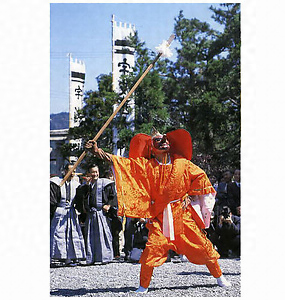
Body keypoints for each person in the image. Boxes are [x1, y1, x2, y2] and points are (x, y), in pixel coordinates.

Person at [85, 128, 231, 293]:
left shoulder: (182, 163)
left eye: (165, 138)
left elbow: (200, 176)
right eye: (158, 140)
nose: (163, 140)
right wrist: (98, 152)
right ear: (151, 147)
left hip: (181, 216)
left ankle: (219, 276)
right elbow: (121, 163)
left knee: (202, 246)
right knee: (152, 249)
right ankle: (143, 285)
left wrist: (191, 195)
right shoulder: (146, 166)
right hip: (159, 216)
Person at [74, 164, 118, 264]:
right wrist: (87, 186)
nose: (95, 174)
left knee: (104, 235)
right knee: (90, 236)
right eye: (93, 172)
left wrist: (108, 205)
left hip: (101, 213)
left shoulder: (105, 183)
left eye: (96, 172)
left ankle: (105, 257)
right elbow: (81, 198)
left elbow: (113, 196)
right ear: (89, 173)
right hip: (91, 213)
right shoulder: (86, 185)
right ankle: (92, 257)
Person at [50, 163, 86, 267]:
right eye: (70, 171)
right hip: (60, 211)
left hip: (70, 211)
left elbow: (79, 200)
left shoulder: (76, 185)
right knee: (58, 234)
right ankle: (56, 256)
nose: (72, 173)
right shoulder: (55, 182)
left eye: (74, 171)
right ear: (65, 171)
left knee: (71, 234)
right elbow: (52, 199)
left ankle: (69, 257)